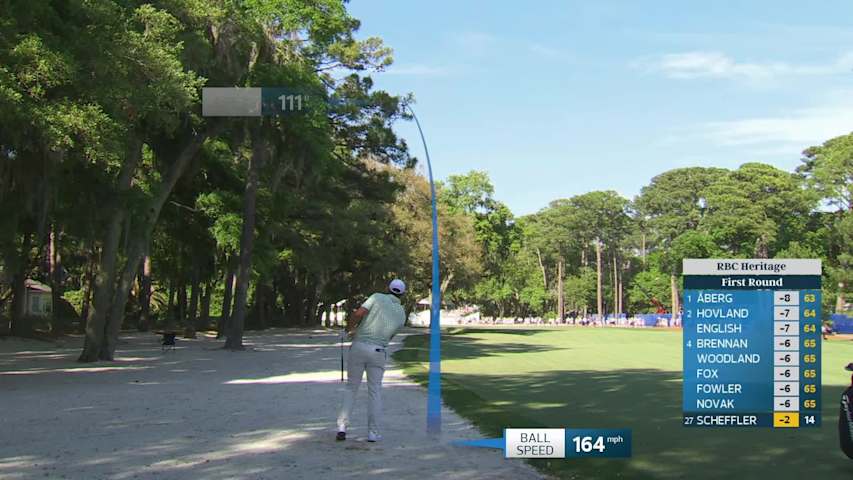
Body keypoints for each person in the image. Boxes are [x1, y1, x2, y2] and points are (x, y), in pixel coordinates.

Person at [336, 279, 407, 442]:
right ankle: (373, 433)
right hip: (378, 351)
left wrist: (349, 329)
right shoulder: (402, 314)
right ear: (402, 294)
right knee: (375, 391)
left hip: (359, 346)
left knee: (351, 388)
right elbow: (390, 336)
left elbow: (358, 314)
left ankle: (342, 427)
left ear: (388, 288)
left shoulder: (376, 297)